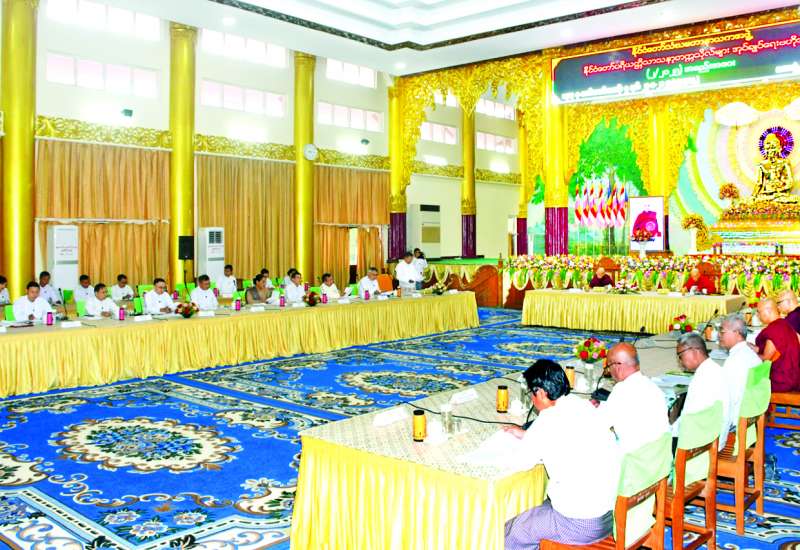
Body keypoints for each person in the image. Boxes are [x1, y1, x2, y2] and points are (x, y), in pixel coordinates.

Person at [504, 360, 620, 550]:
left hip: (580, 524)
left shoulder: (547, 420)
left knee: (513, 532)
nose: (532, 399)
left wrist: (519, 442)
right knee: (531, 513)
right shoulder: (582, 405)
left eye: (531, 393)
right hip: (609, 516)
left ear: (541, 393)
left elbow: (521, 462)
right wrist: (528, 435)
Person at [598, 343, 669, 453]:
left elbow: (599, 423)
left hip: (634, 459)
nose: (609, 372)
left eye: (608, 367)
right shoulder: (653, 387)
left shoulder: (621, 390)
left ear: (617, 366)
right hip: (659, 458)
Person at [674, 333, 730, 450]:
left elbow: (688, 420)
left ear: (694, 351)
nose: (680, 360)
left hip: (699, 448)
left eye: (680, 355)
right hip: (715, 439)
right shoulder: (715, 369)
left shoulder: (702, 379)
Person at [718, 314, 762, 429]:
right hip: (752, 412)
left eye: (722, 332)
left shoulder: (735, 360)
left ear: (737, 333)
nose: (719, 335)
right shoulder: (750, 353)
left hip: (735, 419)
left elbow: (728, 398)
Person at [756, 298, 800, 392]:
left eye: (759, 312)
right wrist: (755, 349)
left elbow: (766, 358)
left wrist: (748, 354)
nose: (758, 315)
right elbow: (776, 350)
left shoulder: (775, 329)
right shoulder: (785, 323)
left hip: (783, 381)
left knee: (747, 382)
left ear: (769, 310)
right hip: (793, 375)